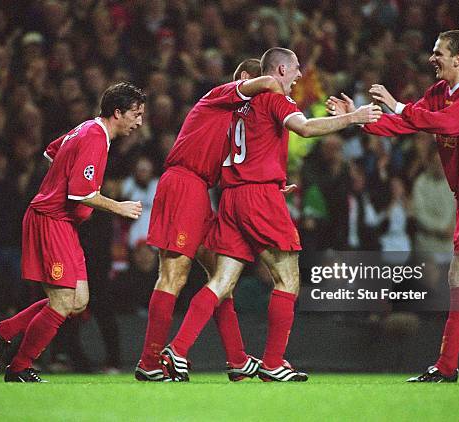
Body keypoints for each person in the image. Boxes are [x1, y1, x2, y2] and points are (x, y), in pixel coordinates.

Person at [160, 47, 382, 382]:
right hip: (259, 198)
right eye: (295, 71)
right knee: (288, 279)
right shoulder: (274, 97)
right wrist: (353, 118)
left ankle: (176, 349)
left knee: (221, 281)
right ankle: (274, 362)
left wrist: (265, 181)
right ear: (280, 69)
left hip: (233, 196)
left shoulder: (238, 108)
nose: (297, 79)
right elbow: (304, 129)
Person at [327, 29, 459, 383]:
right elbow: (406, 123)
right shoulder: (439, 93)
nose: (432, 58)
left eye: (439, 53)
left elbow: (445, 123)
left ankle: (446, 367)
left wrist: (397, 103)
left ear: (458, 59)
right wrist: (355, 117)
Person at [0, 82, 145, 382]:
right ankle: (18, 367)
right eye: (136, 114)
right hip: (51, 220)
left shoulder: (87, 129)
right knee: (61, 302)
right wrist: (118, 207)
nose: (139, 122)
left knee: (79, 301)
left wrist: (64, 175)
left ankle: (2, 331)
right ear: (118, 113)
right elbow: (81, 193)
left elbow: (50, 152)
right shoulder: (95, 137)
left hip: (65, 224)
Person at [135, 59, 286, 382]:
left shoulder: (236, 123)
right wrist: (283, 81)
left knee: (221, 277)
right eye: (254, 82)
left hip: (200, 192)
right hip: (184, 183)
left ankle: (237, 358)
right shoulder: (220, 95)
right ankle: (150, 361)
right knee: (173, 275)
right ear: (246, 79)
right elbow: (269, 83)